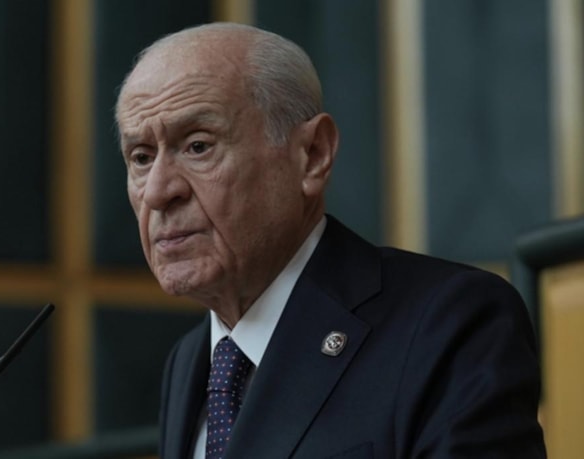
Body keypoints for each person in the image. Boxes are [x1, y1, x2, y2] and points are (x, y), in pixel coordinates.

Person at [115, 22, 546, 459]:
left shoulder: (450, 325)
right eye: (141, 157)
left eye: (198, 146)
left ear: (312, 155)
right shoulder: (190, 361)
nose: (158, 192)